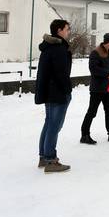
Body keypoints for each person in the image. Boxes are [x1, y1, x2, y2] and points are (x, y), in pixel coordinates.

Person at [35, 19, 72, 173]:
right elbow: (60, 73)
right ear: (59, 30)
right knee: (54, 126)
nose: (68, 31)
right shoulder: (58, 48)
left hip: (49, 92)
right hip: (57, 93)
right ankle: (50, 159)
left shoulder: (49, 47)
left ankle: (44, 157)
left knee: (49, 123)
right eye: (67, 29)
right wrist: (67, 90)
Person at [80, 33, 109, 144]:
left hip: (108, 88)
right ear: (106, 42)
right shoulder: (95, 53)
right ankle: (84, 135)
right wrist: (108, 74)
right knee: (92, 112)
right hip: (97, 89)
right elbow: (93, 69)